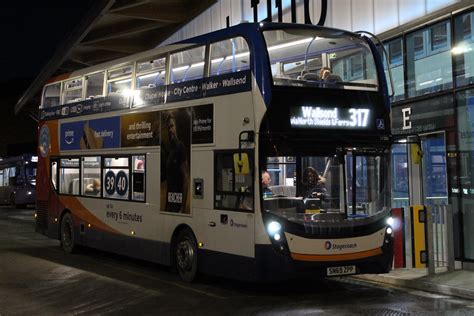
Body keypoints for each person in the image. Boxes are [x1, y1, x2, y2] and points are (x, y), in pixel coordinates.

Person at [164, 113, 189, 213]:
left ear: (176, 127)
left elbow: (186, 179)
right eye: (168, 127)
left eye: (172, 126)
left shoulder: (180, 147)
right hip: (170, 201)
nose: (170, 130)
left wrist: (182, 208)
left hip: (176, 203)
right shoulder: (171, 148)